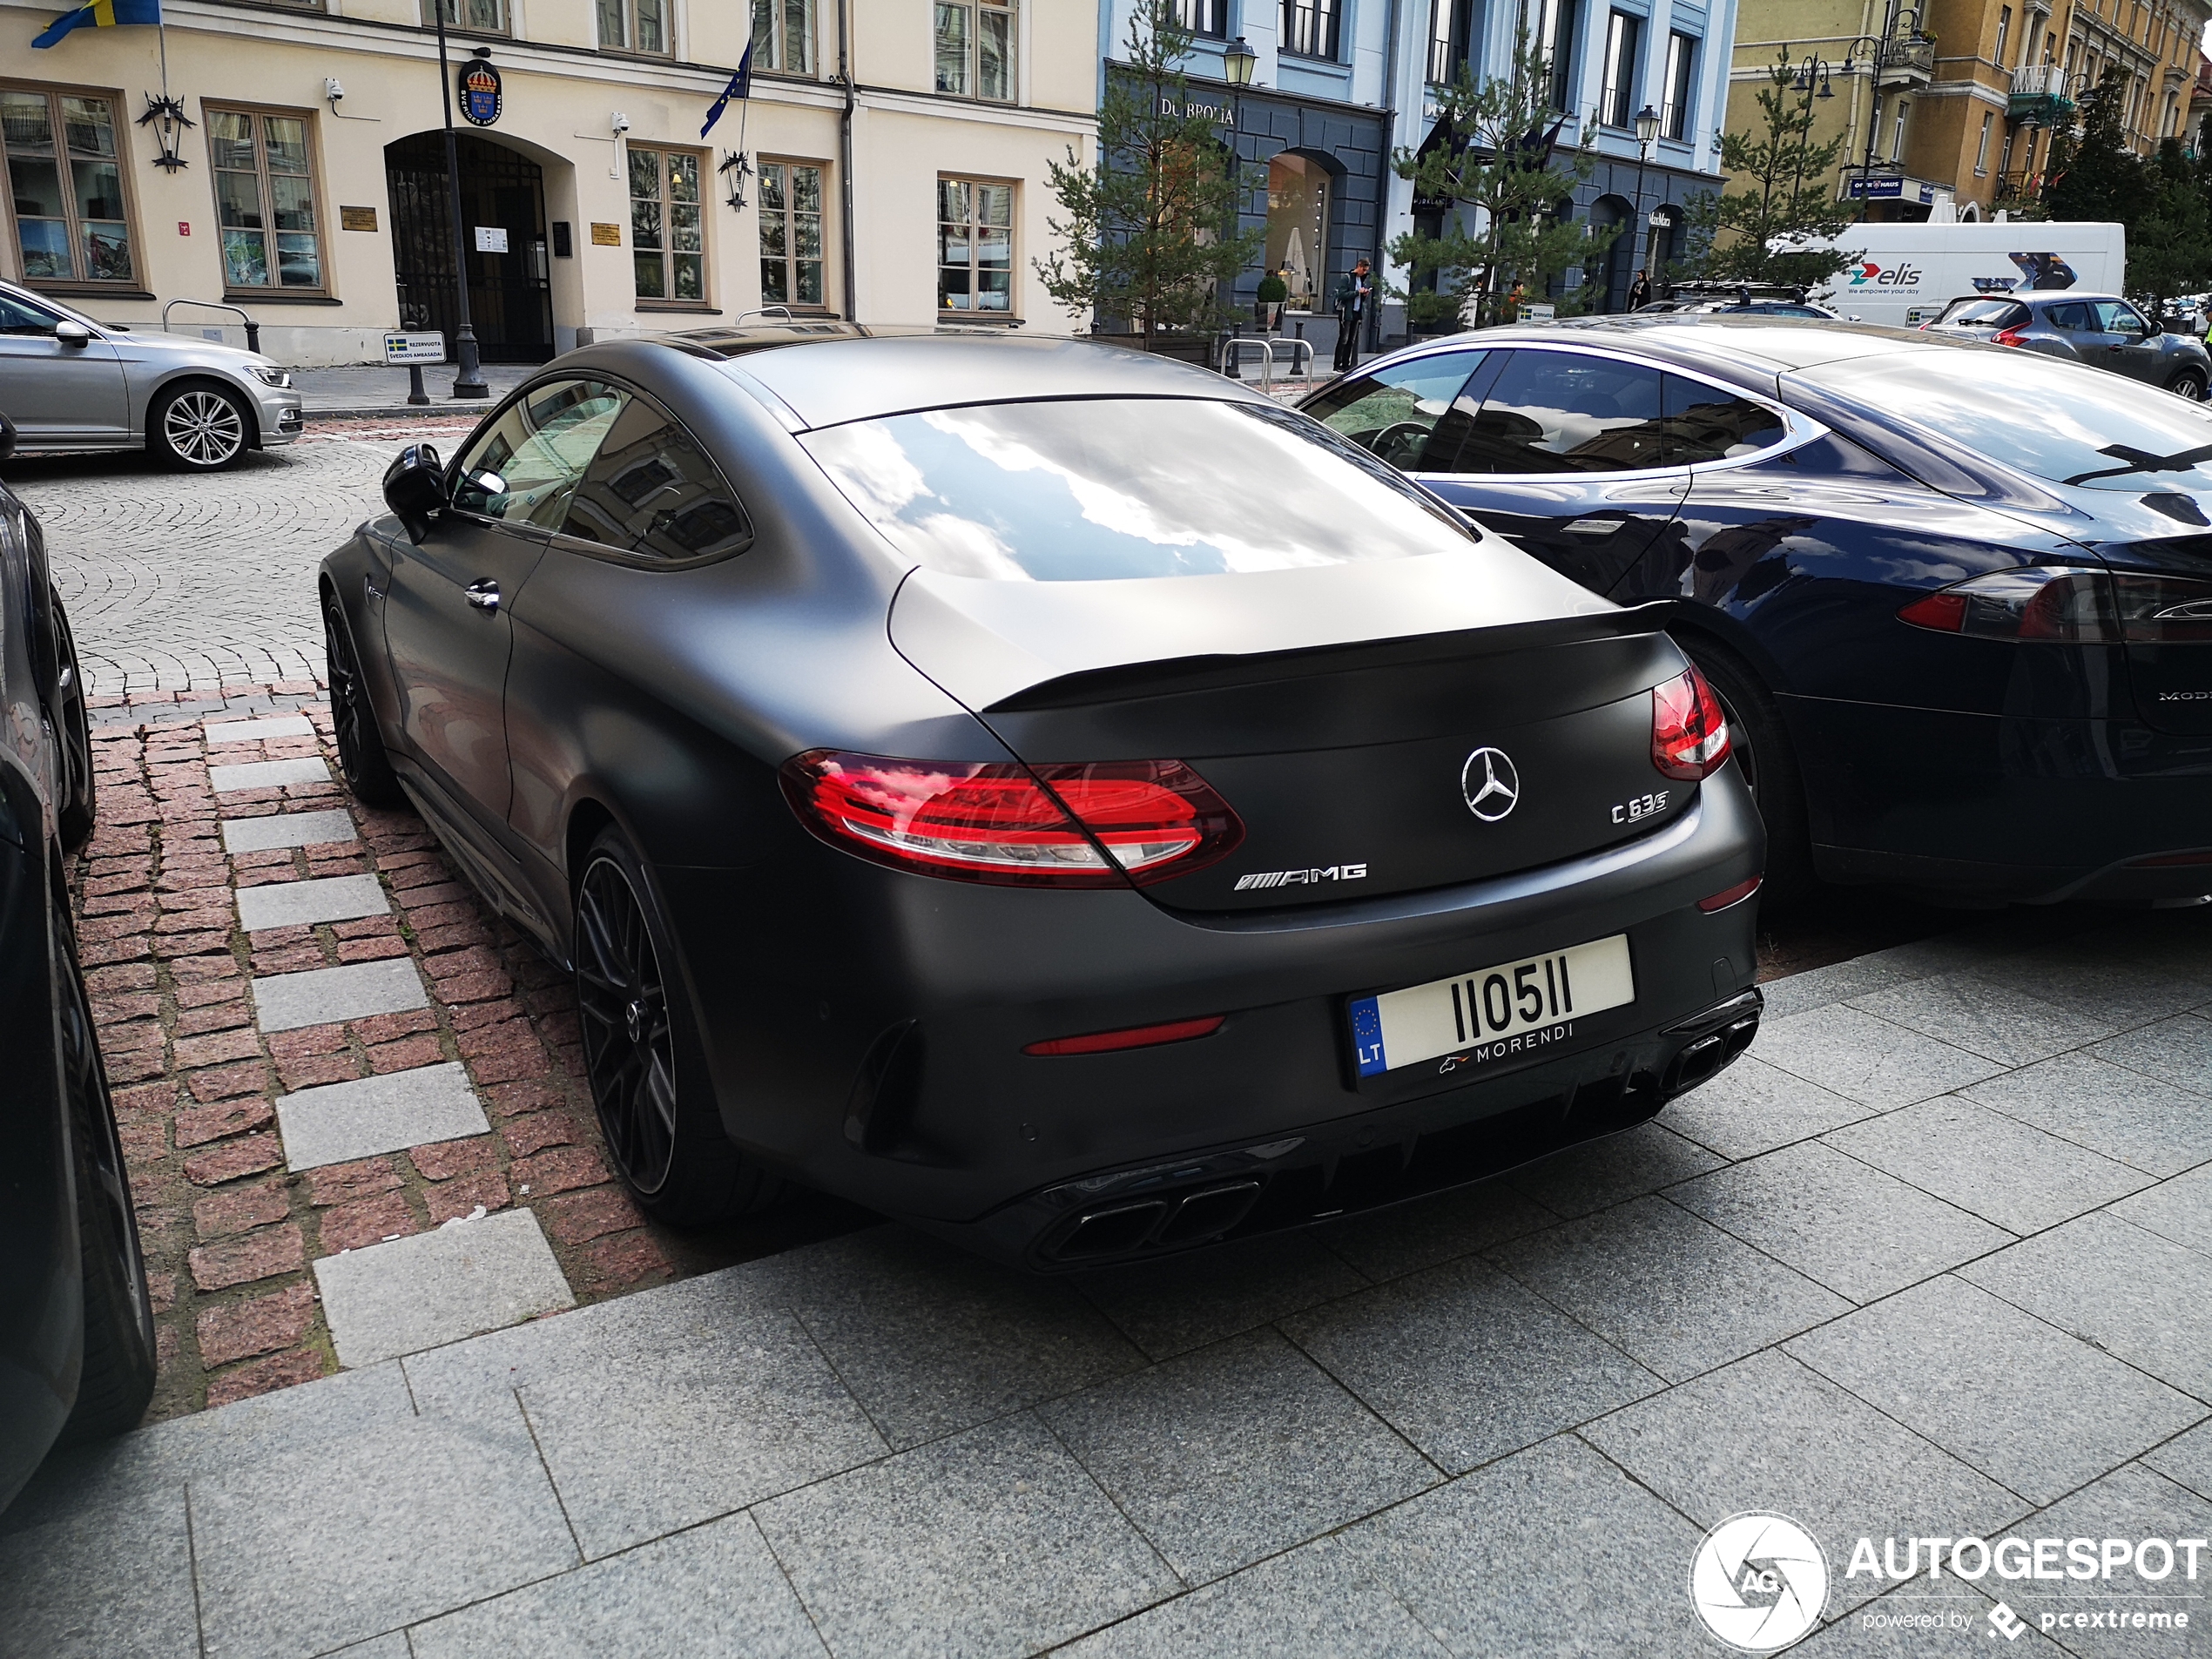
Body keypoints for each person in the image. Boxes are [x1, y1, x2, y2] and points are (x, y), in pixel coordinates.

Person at [1332, 258, 1372, 373]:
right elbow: (1342, 295)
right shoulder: (1347, 278)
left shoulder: (1361, 280)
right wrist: (1357, 293)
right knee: (1343, 339)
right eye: (1363, 270)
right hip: (1347, 312)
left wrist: (1364, 294)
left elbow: (1360, 298)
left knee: (1351, 340)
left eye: (1366, 270)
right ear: (1359, 267)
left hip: (1356, 312)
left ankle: (1346, 364)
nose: (1364, 272)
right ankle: (1337, 364)